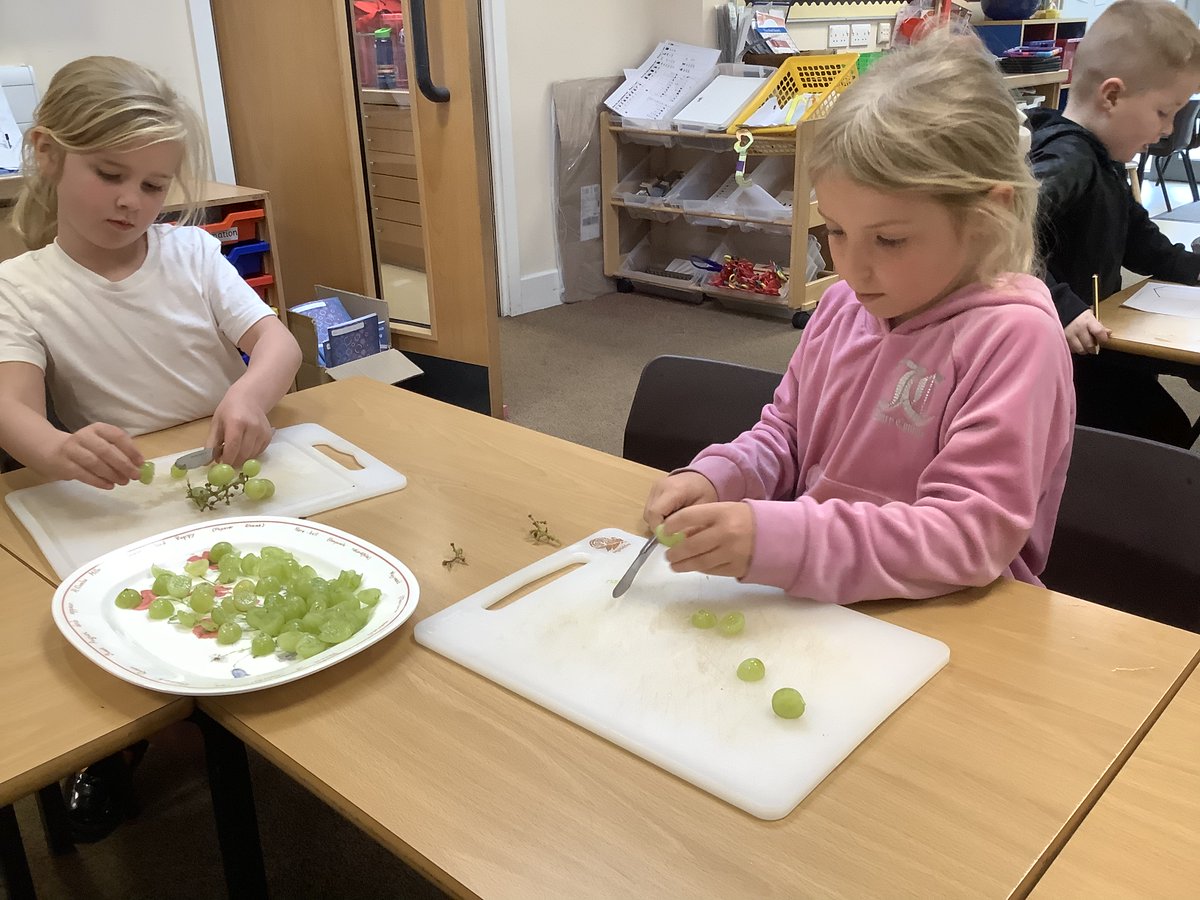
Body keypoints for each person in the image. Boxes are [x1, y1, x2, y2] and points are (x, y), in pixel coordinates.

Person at [642, 31, 1075, 605]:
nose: (852, 268)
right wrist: (718, 475)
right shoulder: (845, 306)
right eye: (837, 230)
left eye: (890, 240)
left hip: (952, 619)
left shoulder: (1014, 338)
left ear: (986, 215)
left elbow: (967, 538)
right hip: (825, 599)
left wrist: (785, 539)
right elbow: (786, 437)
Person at [0, 56, 302, 840]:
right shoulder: (21, 288)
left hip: (228, 470)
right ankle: (99, 754)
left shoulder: (193, 254)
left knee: (271, 594)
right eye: (110, 175)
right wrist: (60, 448)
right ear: (46, 153)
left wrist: (248, 392)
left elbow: (277, 343)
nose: (133, 202)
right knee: (112, 639)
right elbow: (10, 410)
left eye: (154, 185)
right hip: (126, 496)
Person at [1028, 0, 1200, 447]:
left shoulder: (1103, 164)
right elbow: (1003, 230)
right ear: (1112, 96)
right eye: (1164, 112)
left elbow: (1144, 245)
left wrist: (1194, 270)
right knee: (1162, 432)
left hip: (1094, 340)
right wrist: (1061, 305)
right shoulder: (1070, 159)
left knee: (1165, 422)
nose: (1168, 130)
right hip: (1052, 353)